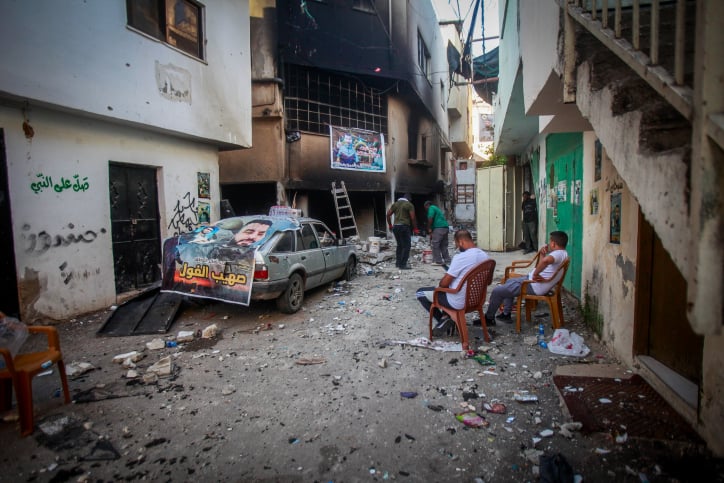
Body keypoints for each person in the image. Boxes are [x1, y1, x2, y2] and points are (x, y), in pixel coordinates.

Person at [484, 231, 569, 326]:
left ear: (553, 243)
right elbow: (543, 262)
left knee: (497, 291)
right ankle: (506, 314)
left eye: (550, 241)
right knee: (509, 281)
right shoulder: (564, 254)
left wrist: (536, 274)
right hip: (532, 282)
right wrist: (541, 255)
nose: (548, 243)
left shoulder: (557, 254)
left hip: (532, 285)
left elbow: (546, 261)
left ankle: (489, 318)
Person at [416, 229, 489, 336]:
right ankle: (446, 317)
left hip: (457, 301)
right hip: (476, 300)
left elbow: (443, 284)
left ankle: (444, 319)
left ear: (461, 242)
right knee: (447, 289)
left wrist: (445, 279)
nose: (458, 248)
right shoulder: (485, 256)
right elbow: (489, 281)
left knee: (421, 293)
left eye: (457, 245)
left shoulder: (460, 258)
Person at [386, 193, 419, 269]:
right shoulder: (409, 205)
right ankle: (403, 265)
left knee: (400, 245)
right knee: (406, 246)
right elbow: (413, 218)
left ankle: (398, 263)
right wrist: (415, 229)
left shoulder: (396, 204)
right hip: (404, 227)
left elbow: (388, 214)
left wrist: (390, 225)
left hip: (396, 227)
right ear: (409, 199)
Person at [424, 201, 451, 266]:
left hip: (439, 227)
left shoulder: (431, 208)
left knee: (435, 244)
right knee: (443, 245)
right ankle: (447, 259)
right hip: (445, 227)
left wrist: (429, 228)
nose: (426, 210)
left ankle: (438, 261)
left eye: (425, 208)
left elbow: (430, 218)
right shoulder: (437, 209)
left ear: (427, 205)